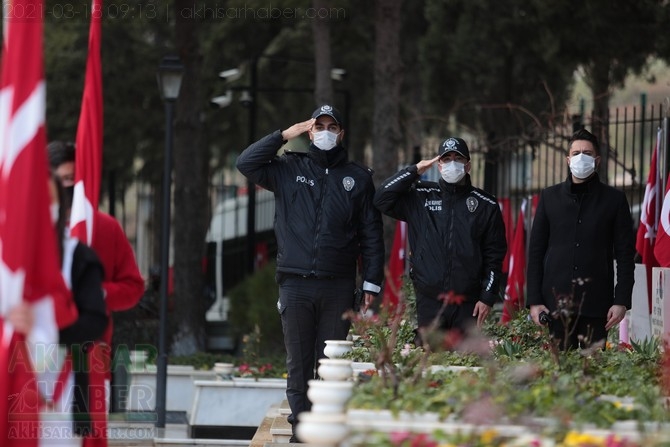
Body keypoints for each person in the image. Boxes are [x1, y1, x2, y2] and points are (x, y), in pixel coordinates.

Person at [236, 104, 384, 442]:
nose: (327, 132)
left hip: (338, 286)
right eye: (320, 126)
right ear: (311, 130)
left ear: (341, 133)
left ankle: (324, 428)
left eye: (333, 126)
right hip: (295, 284)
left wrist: (371, 282)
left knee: (329, 363)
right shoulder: (288, 167)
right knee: (299, 363)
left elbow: (371, 235)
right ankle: (301, 431)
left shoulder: (358, 178)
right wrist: (285, 135)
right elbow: (246, 163)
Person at [47, 141, 145, 444]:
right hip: (32, 352)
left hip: (90, 352)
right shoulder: (20, 233)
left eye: (73, 180)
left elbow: (133, 287)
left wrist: (94, 293)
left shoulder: (105, 228)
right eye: (61, 179)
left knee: (88, 434)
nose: (68, 187)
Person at [9, 173, 108, 446]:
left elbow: (95, 321)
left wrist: (44, 332)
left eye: (47, 199)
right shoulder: (6, 260)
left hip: (62, 394)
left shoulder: (78, 256)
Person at [374, 137, 507, 337]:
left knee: (465, 365)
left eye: (458, 159)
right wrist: (415, 170)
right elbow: (381, 198)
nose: (452, 163)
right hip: (429, 300)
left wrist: (487, 297)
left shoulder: (485, 204)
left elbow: (494, 256)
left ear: (468, 165)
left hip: (467, 303)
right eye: (447, 159)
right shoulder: (421, 195)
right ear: (439, 164)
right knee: (429, 363)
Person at [526, 128, 635, 350]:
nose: (581, 158)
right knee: (558, 375)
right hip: (555, 306)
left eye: (587, 153)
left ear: (597, 160)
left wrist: (621, 300)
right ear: (568, 159)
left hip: (597, 306)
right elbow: (536, 252)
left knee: (592, 377)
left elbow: (625, 256)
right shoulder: (549, 198)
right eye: (576, 153)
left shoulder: (614, 200)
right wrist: (535, 301)